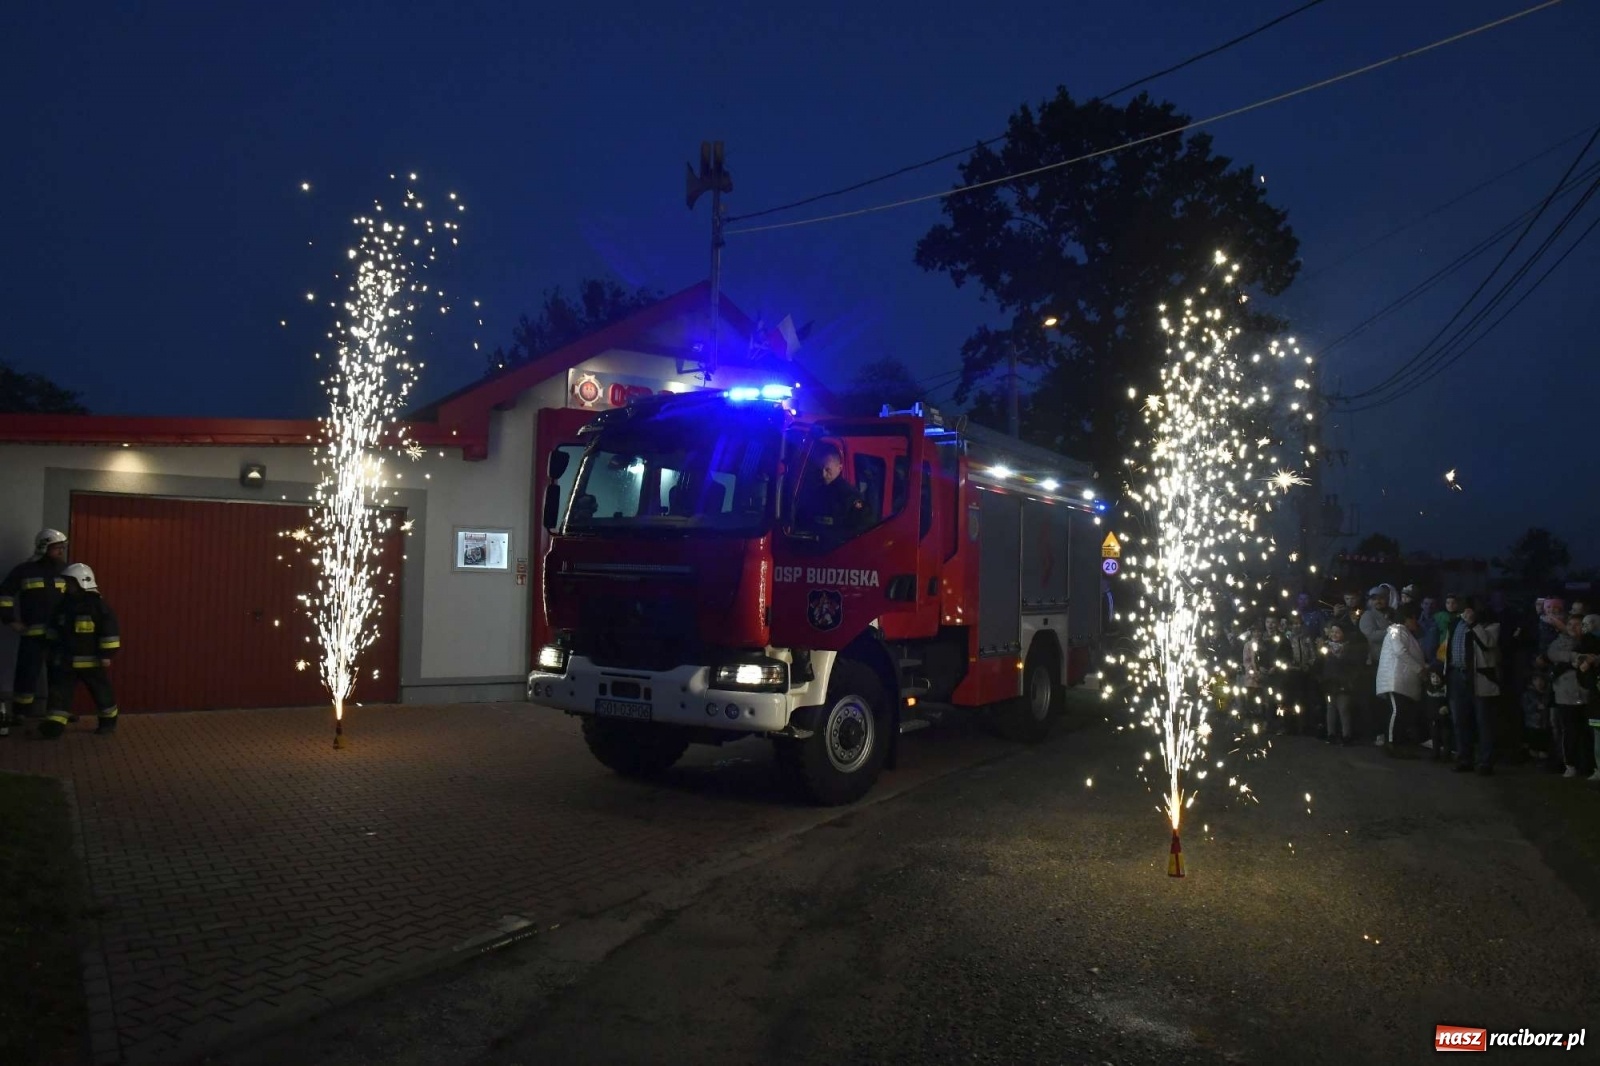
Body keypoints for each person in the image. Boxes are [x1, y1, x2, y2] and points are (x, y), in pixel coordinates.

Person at [38, 563, 120, 738]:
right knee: (59, 693)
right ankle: (54, 727)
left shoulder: (98, 606)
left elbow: (109, 632)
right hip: (65, 660)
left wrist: (106, 655)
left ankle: (108, 722)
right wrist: (49, 648)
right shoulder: (63, 605)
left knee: (101, 693)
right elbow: (54, 629)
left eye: (70, 583)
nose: (67, 586)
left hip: (92, 661)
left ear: (82, 582)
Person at [1, 529, 71, 721]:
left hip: (59, 633)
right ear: (43, 547)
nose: (60, 552)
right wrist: (10, 620)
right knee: (27, 672)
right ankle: (21, 712)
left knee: (59, 673)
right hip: (32, 634)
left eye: (62, 548)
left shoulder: (66, 570)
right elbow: (5, 594)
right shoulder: (24, 570)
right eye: (57, 548)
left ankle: (57, 712)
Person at [1376, 604, 1427, 757]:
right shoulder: (1396, 630)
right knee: (1397, 711)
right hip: (1394, 679)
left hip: (1402, 680)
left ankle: (1399, 743)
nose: (1415, 622)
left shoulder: (1404, 633)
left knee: (1401, 712)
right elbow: (1400, 651)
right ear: (1408, 618)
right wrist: (1420, 669)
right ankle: (1391, 743)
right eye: (1414, 618)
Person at [793, 444, 870, 537]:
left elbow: (861, 527)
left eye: (827, 470)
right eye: (821, 469)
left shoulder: (848, 495)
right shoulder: (816, 492)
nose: (823, 474)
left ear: (840, 468)